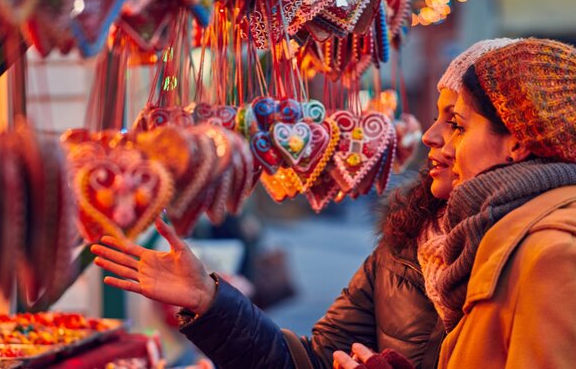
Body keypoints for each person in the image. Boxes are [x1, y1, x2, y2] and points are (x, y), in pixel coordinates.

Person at [90, 39, 520, 368]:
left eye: (456, 123)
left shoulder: (550, 252)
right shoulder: (408, 245)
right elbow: (310, 361)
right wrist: (209, 300)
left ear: (519, 142)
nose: (431, 137)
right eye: (438, 118)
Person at [334, 38, 576, 369]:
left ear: (517, 142)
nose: (441, 141)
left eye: (459, 126)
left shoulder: (557, 257)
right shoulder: (513, 236)